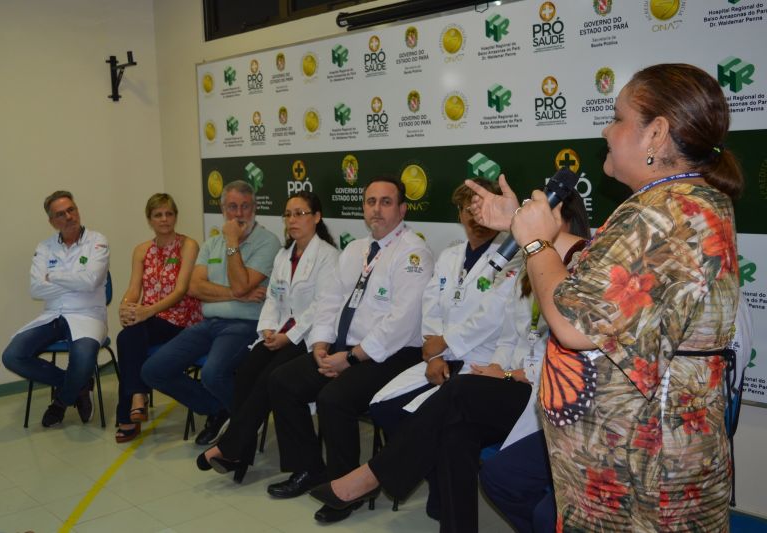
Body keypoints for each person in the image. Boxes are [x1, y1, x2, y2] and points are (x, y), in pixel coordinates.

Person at [472, 63, 743, 531]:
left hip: (642, 469)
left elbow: (575, 323)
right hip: (637, 455)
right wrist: (524, 223)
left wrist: (535, 244)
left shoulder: (661, 213)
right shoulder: (676, 203)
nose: (606, 128)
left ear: (655, 134)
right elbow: (601, 285)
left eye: (618, 118)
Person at [308, 187, 590, 533]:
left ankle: (373, 475)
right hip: (504, 379)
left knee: (458, 391)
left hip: (545, 394)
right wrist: (495, 367)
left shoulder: (582, 273)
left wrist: (510, 373)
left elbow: (575, 352)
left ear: (565, 223)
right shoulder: (527, 267)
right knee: (456, 433)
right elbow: (507, 334)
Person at [266, 176, 433, 523]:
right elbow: (331, 300)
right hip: (343, 349)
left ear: (402, 209)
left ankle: (347, 490)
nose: (376, 209)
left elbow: (401, 322)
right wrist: (321, 345)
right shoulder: (356, 249)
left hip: (392, 354)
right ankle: (310, 469)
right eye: (370, 201)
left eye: (386, 202)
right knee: (281, 381)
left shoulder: (414, 253)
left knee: (334, 399)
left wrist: (353, 357)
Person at [368, 178, 522, 519]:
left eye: (480, 207)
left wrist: (447, 344)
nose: (473, 215)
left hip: (480, 359)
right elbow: (431, 304)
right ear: (459, 214)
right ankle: (437, 478)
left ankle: (441, 491)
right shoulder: (450, 255)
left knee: (426, 418)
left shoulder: (513, 257)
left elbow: (493, 315)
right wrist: (435, 352)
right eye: (467, 208)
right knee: (384, 408)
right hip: (440, 355)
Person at [196, 192, 339, 481]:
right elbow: (272, 299)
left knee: (272, 378)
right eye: (288, 214)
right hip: (281, 332)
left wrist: (289, 336)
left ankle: (231, 446)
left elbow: (323, 307)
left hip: (311, 338)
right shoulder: (285, 256)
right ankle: (239, 452)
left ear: (317, 217)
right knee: (248, 369)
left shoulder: (329, 256)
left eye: (300, 213)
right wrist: (269, 330)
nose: (292, 220)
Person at [142, 180, 281, 445]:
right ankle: (222, 410)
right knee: (153, 370)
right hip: (209, 322)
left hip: (245, 324)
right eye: (232, 207)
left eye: (245, 206)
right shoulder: (211, 244)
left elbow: (241, 283)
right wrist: (235, 294)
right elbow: (195, 287)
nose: (238, 213)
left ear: (254, 208)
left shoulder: (268, 242)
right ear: (222, 210)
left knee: (212, 374)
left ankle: (244, 421)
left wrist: (232, 242)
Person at [2, 191, 109, 428]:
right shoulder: (45, 247)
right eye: (61, 214)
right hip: (53, 315)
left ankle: (60, 403)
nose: (69, 217)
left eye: (72, 209)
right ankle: (78, 385)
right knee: (12, 356)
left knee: (83, 359)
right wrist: (73, 282)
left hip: (88, 314)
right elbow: (36, 290)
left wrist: (53, 276)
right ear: (52, 221)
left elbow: (90, 280)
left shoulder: (97, 240)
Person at [114, 194, 203, 443]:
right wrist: (126, 307)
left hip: (181, 319)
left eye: (169, 214)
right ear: (149, 219)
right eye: (158, 215)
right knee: (128, 335)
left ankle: (131, 406)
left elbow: (181, 290)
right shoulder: (142, 250)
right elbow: (134, 289)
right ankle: (137, 398)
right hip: (150, 320)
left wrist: (146, 312)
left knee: (128, 337)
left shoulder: (188, 245)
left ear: (175, 216)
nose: (164, 219)